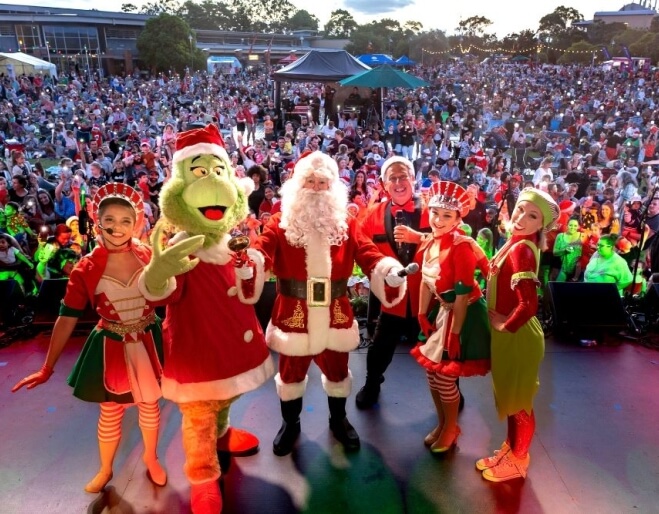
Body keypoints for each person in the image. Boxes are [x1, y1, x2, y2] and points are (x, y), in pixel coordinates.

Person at [140, 124, 274, 513]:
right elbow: (161, 294)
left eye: (218, 172)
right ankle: (202, 475)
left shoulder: (234, 245)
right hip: (197, 347)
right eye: (199, 172)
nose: (213, 184)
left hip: (233, 347)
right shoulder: (181, 247)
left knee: (227, 396)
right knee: (198, 413)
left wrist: (251, 270)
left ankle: (224, 434)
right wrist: (158, 271)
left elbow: (248, 296)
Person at [246, 151, 407, 456]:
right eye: (310, 181)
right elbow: (261, 250)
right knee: (291, 373)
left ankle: (339, 418)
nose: (317, 188)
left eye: (323, 182)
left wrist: (387, 269)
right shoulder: (281, 222)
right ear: (297, 184)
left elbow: (368, 253)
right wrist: (250, 260)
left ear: (333, 187)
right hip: (294, 311)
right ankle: (290, 423)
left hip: (335, 310)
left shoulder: (346, 221)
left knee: (338, 370)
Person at [12, 183, 168, 493]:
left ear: (137, 222)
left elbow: (171, 294)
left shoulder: (149, 255)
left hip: (148, 338)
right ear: (98, 222)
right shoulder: (85, 268)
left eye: (126, 221)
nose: (117, 227)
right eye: (110, 220)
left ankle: (151, 457)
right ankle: (106, 468)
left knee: (150, 404)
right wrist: (48, 367)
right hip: (110, 344)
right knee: (110, 409)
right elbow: (66, 317)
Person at [478, 188, 559, 482]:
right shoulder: (514, 243)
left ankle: (519, 459)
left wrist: (504, 325)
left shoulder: (522, 249)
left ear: (541, 225)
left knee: (520, 402)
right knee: (511, 400)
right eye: (521, 210)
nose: (522, 218)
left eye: (532, 216)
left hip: (519, 337)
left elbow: (529, 305)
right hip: (510, 337)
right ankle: (511, 449)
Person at [412, 181, 491, 453]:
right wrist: (422, 314)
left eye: (447, 215)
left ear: (459, 219)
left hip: (463, 314)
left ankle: (451, 427)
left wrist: (455, 333)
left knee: (445, 377)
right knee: (432, 373)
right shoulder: (431, 242)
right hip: (442, 311)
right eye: (435, 213)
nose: (438, 219)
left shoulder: (462, 248)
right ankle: (444, 423)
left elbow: (460, 296)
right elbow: (425, 281)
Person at [355, 156, 430, 409]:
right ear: (384, 185)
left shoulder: (433, 207)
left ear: (413, 179)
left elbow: (457, 237)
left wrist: (419, 238)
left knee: (440, 348)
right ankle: (372, 383)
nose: (399, 183)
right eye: (392, 178)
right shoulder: (372, 214)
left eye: (403, 176)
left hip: (427, 297)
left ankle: (450, 390)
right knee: (380, 347)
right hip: (392, 297)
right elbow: (361, 248)